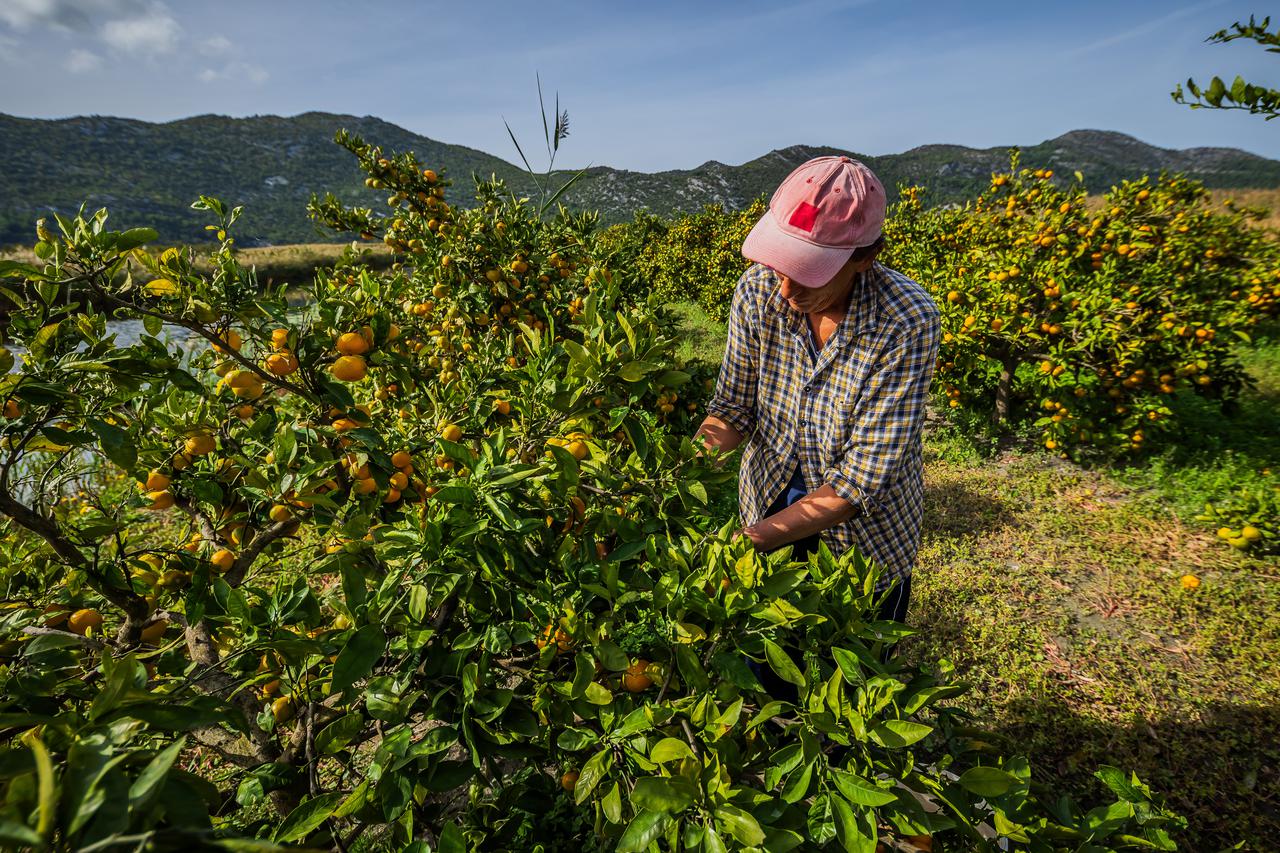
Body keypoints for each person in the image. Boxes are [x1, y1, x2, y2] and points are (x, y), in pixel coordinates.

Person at [694, 155, 940, 627]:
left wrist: (742, 544)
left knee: (847, 667)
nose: (786, 290)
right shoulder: (757, 289)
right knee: (765, 660)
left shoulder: (906, 322)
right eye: (782, 264)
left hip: (861, 538)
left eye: (809, 272)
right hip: (767, 493)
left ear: (865, 258)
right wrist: (680, 475)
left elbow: (858, 483)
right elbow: (733, 408)